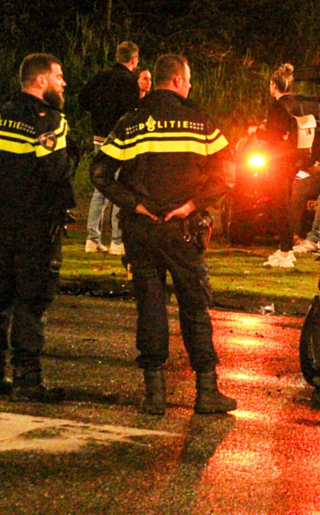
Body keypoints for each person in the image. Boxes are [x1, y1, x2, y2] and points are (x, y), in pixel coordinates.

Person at [90, 54, 237, 416]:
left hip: (141, 230)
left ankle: (154, 395)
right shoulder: (200, 122)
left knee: (150, 309)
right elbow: (227, 174)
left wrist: (134, 205)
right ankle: (206, 391)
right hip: (182, 230)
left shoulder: (131, 122)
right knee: (195, 308)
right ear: (176, 80)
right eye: (188, 80)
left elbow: (99, 174)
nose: (189, 86)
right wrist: (192, 204)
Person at [0, 53, 78, 401]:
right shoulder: (49, 120)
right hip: (37, 226)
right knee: (31, 303)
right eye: (59, 76)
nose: (63, 83)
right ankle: (27, 380)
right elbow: (55, 171)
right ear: (41, 81)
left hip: (1, 223)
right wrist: (72, 155)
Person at [79, 41, 140, 255]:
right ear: (133, 60)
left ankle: (92, 238)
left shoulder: (101, 77)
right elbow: (132, 112)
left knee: (100, 188)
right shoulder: (129, 81)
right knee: (119, 187)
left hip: (98, 136)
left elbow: (82, 99)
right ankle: (117, 240)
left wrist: (98, 113)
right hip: (118, 139)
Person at [254, 64, 307, 268]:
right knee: (286, 203)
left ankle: (285, 252)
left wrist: (257, 133)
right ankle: (287, 249)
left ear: (274, 85)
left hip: (279, 160)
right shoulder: (296, 103)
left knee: (279, 205)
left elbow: (273, 135)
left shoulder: (277, 106)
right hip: (294, 160)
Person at [292, 101, 320, 254]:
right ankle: (295, 234)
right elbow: (312, 160)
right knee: (297, 186)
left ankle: (315, 239)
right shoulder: (319, 136)